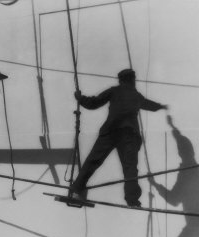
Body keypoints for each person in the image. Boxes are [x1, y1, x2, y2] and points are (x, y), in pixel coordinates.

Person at [70, 68, 168, 207]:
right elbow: (149, 105)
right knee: (130, 168)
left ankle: (76, 189)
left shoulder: (114, 91)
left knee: (92, 161)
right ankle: (132, 200)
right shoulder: (136, 95)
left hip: (110, 131)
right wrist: (161, 106)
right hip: (129, 135)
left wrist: (80, 98)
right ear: (132, 80)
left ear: (121, 80)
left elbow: (93, 103)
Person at [149, 116, 199, 237]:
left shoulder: (188, 171)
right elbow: (183, 143)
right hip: (194, 224)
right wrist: (173, 127)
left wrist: (155, 185)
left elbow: (174, 199)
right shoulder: (192, 169)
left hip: (195, 224)